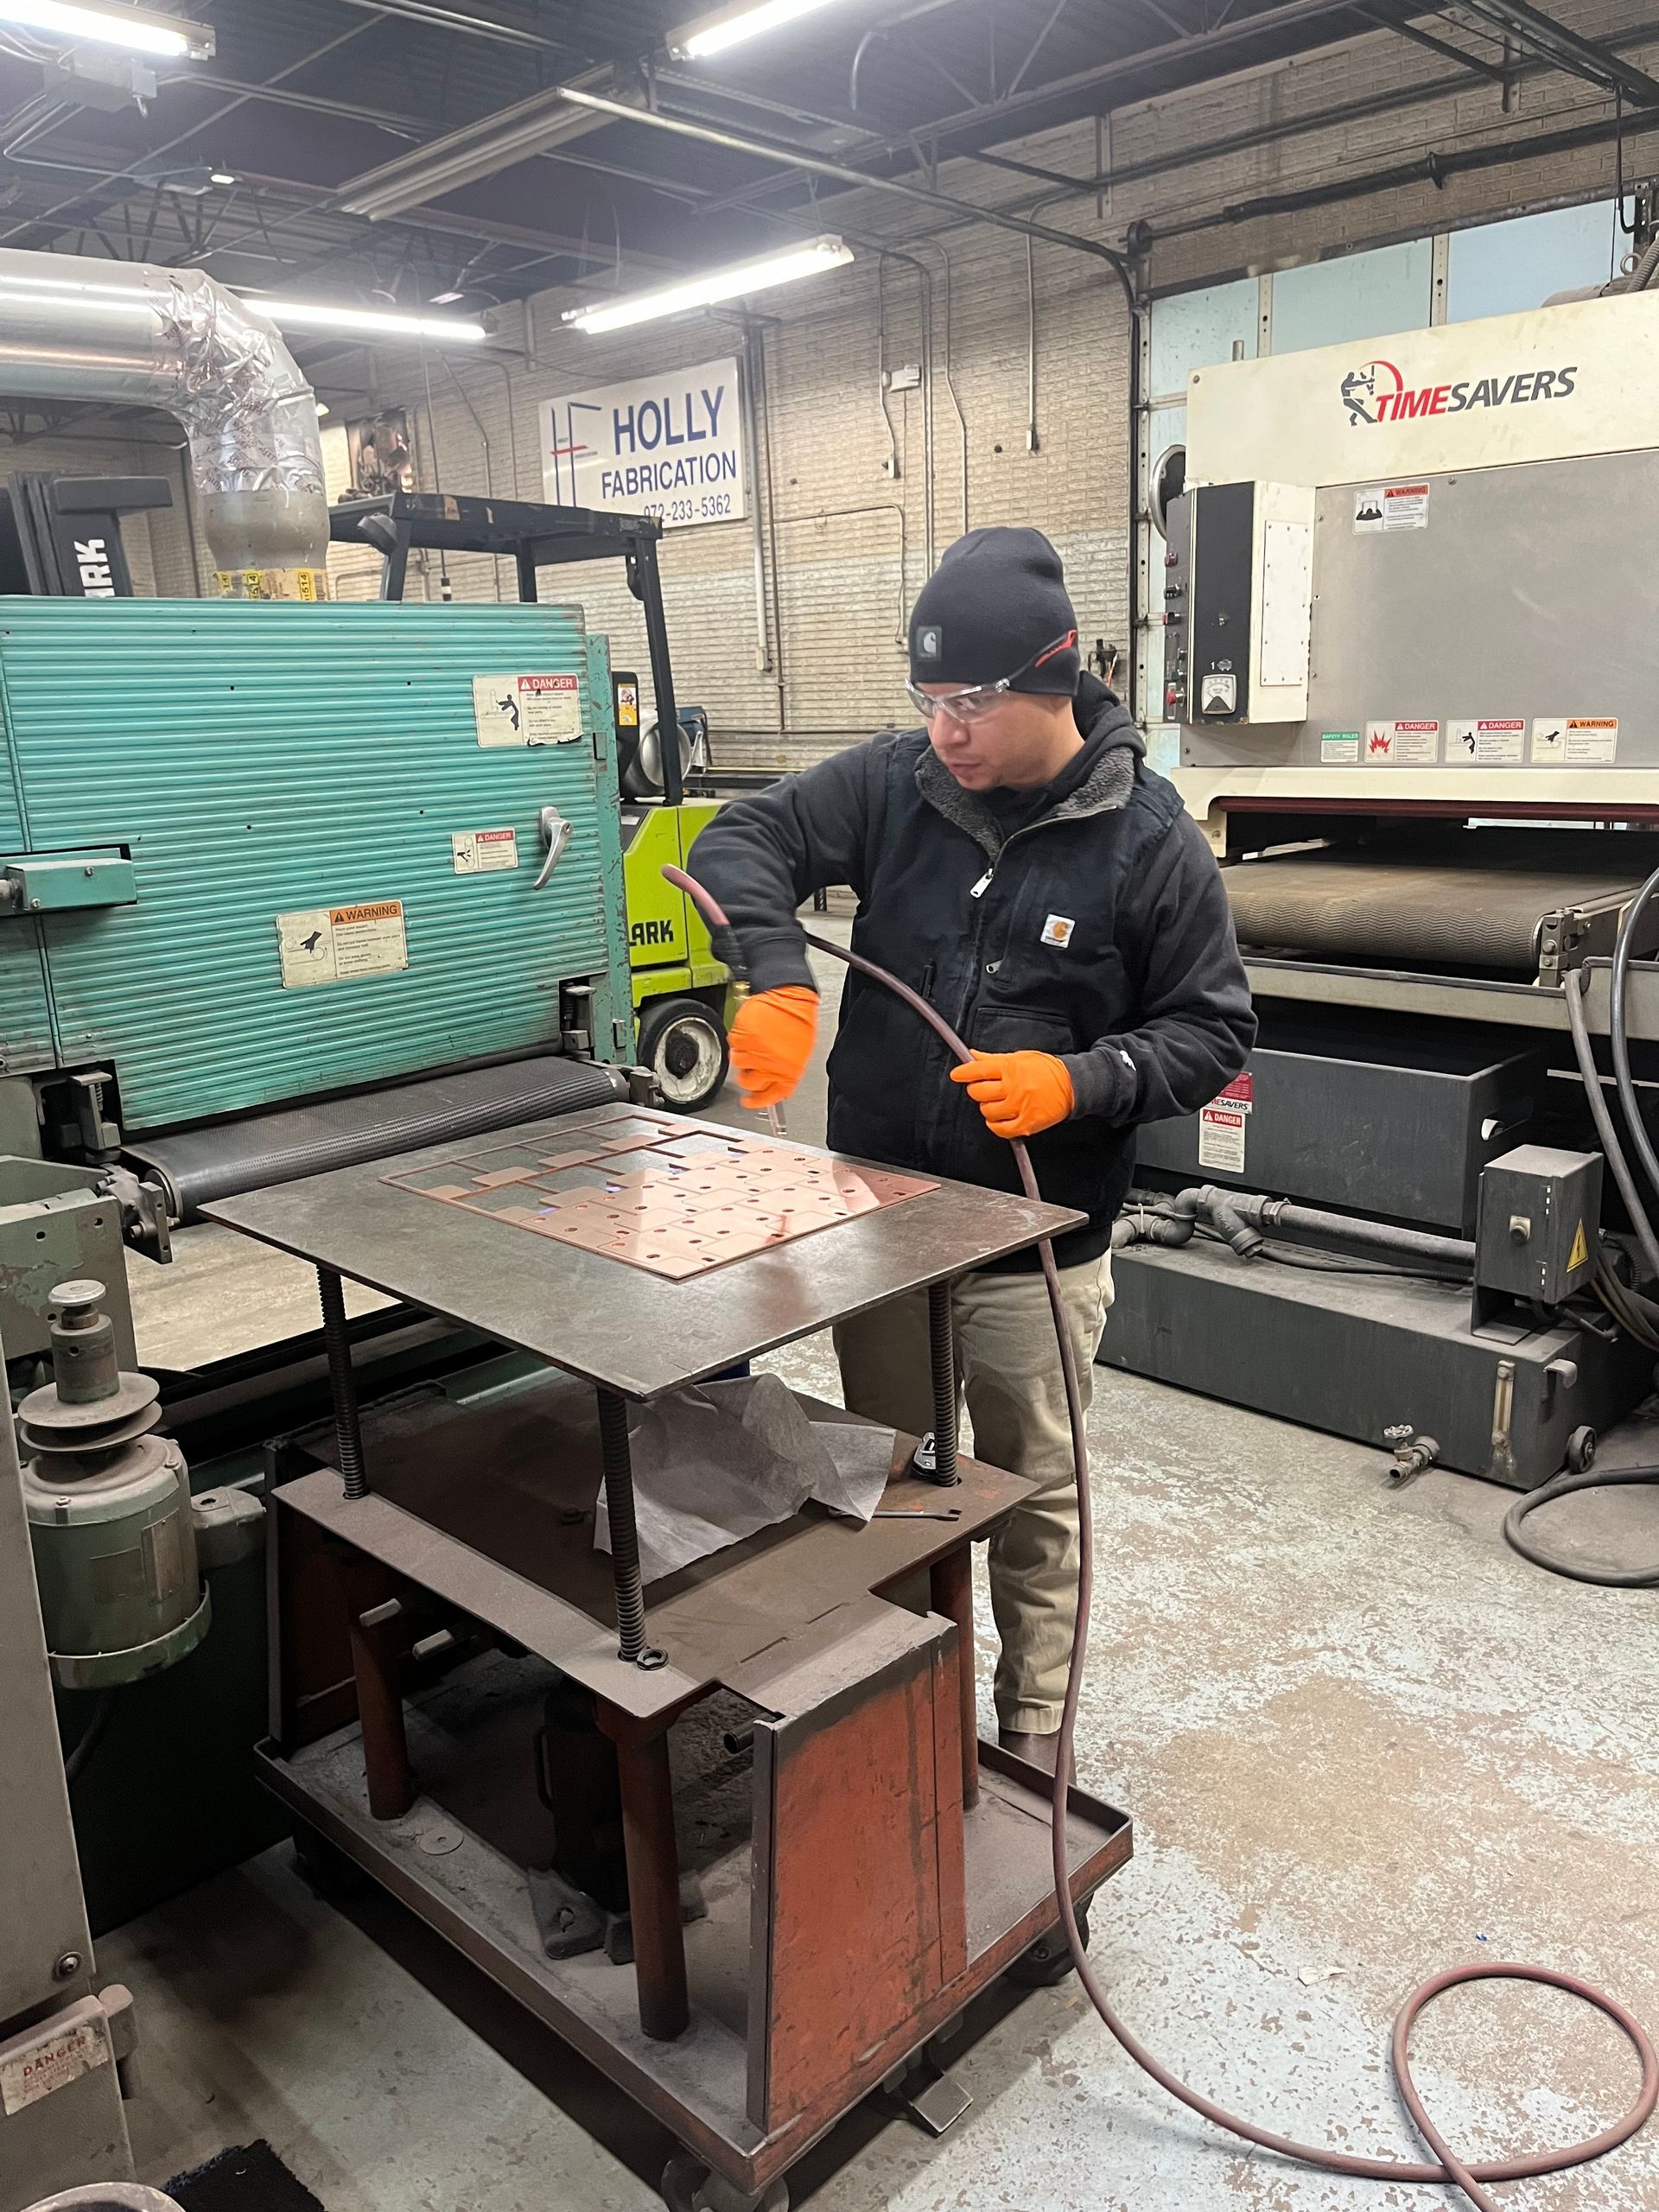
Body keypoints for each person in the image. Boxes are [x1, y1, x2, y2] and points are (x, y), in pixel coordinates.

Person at [688, 527, 1255, 1773]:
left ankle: (1032, 1738)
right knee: (890, 1490)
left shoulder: (1149, 839)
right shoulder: (897, 786)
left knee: (1034, 1498)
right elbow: (739, 839)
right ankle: (901, 1710)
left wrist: (1083, 1081)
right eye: (930, 700)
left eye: (975, 702)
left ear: (1051, 682)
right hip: (883, 1230)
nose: (947, 729)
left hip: (1031, 1251)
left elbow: (1214, 1032)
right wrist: (777, 977)